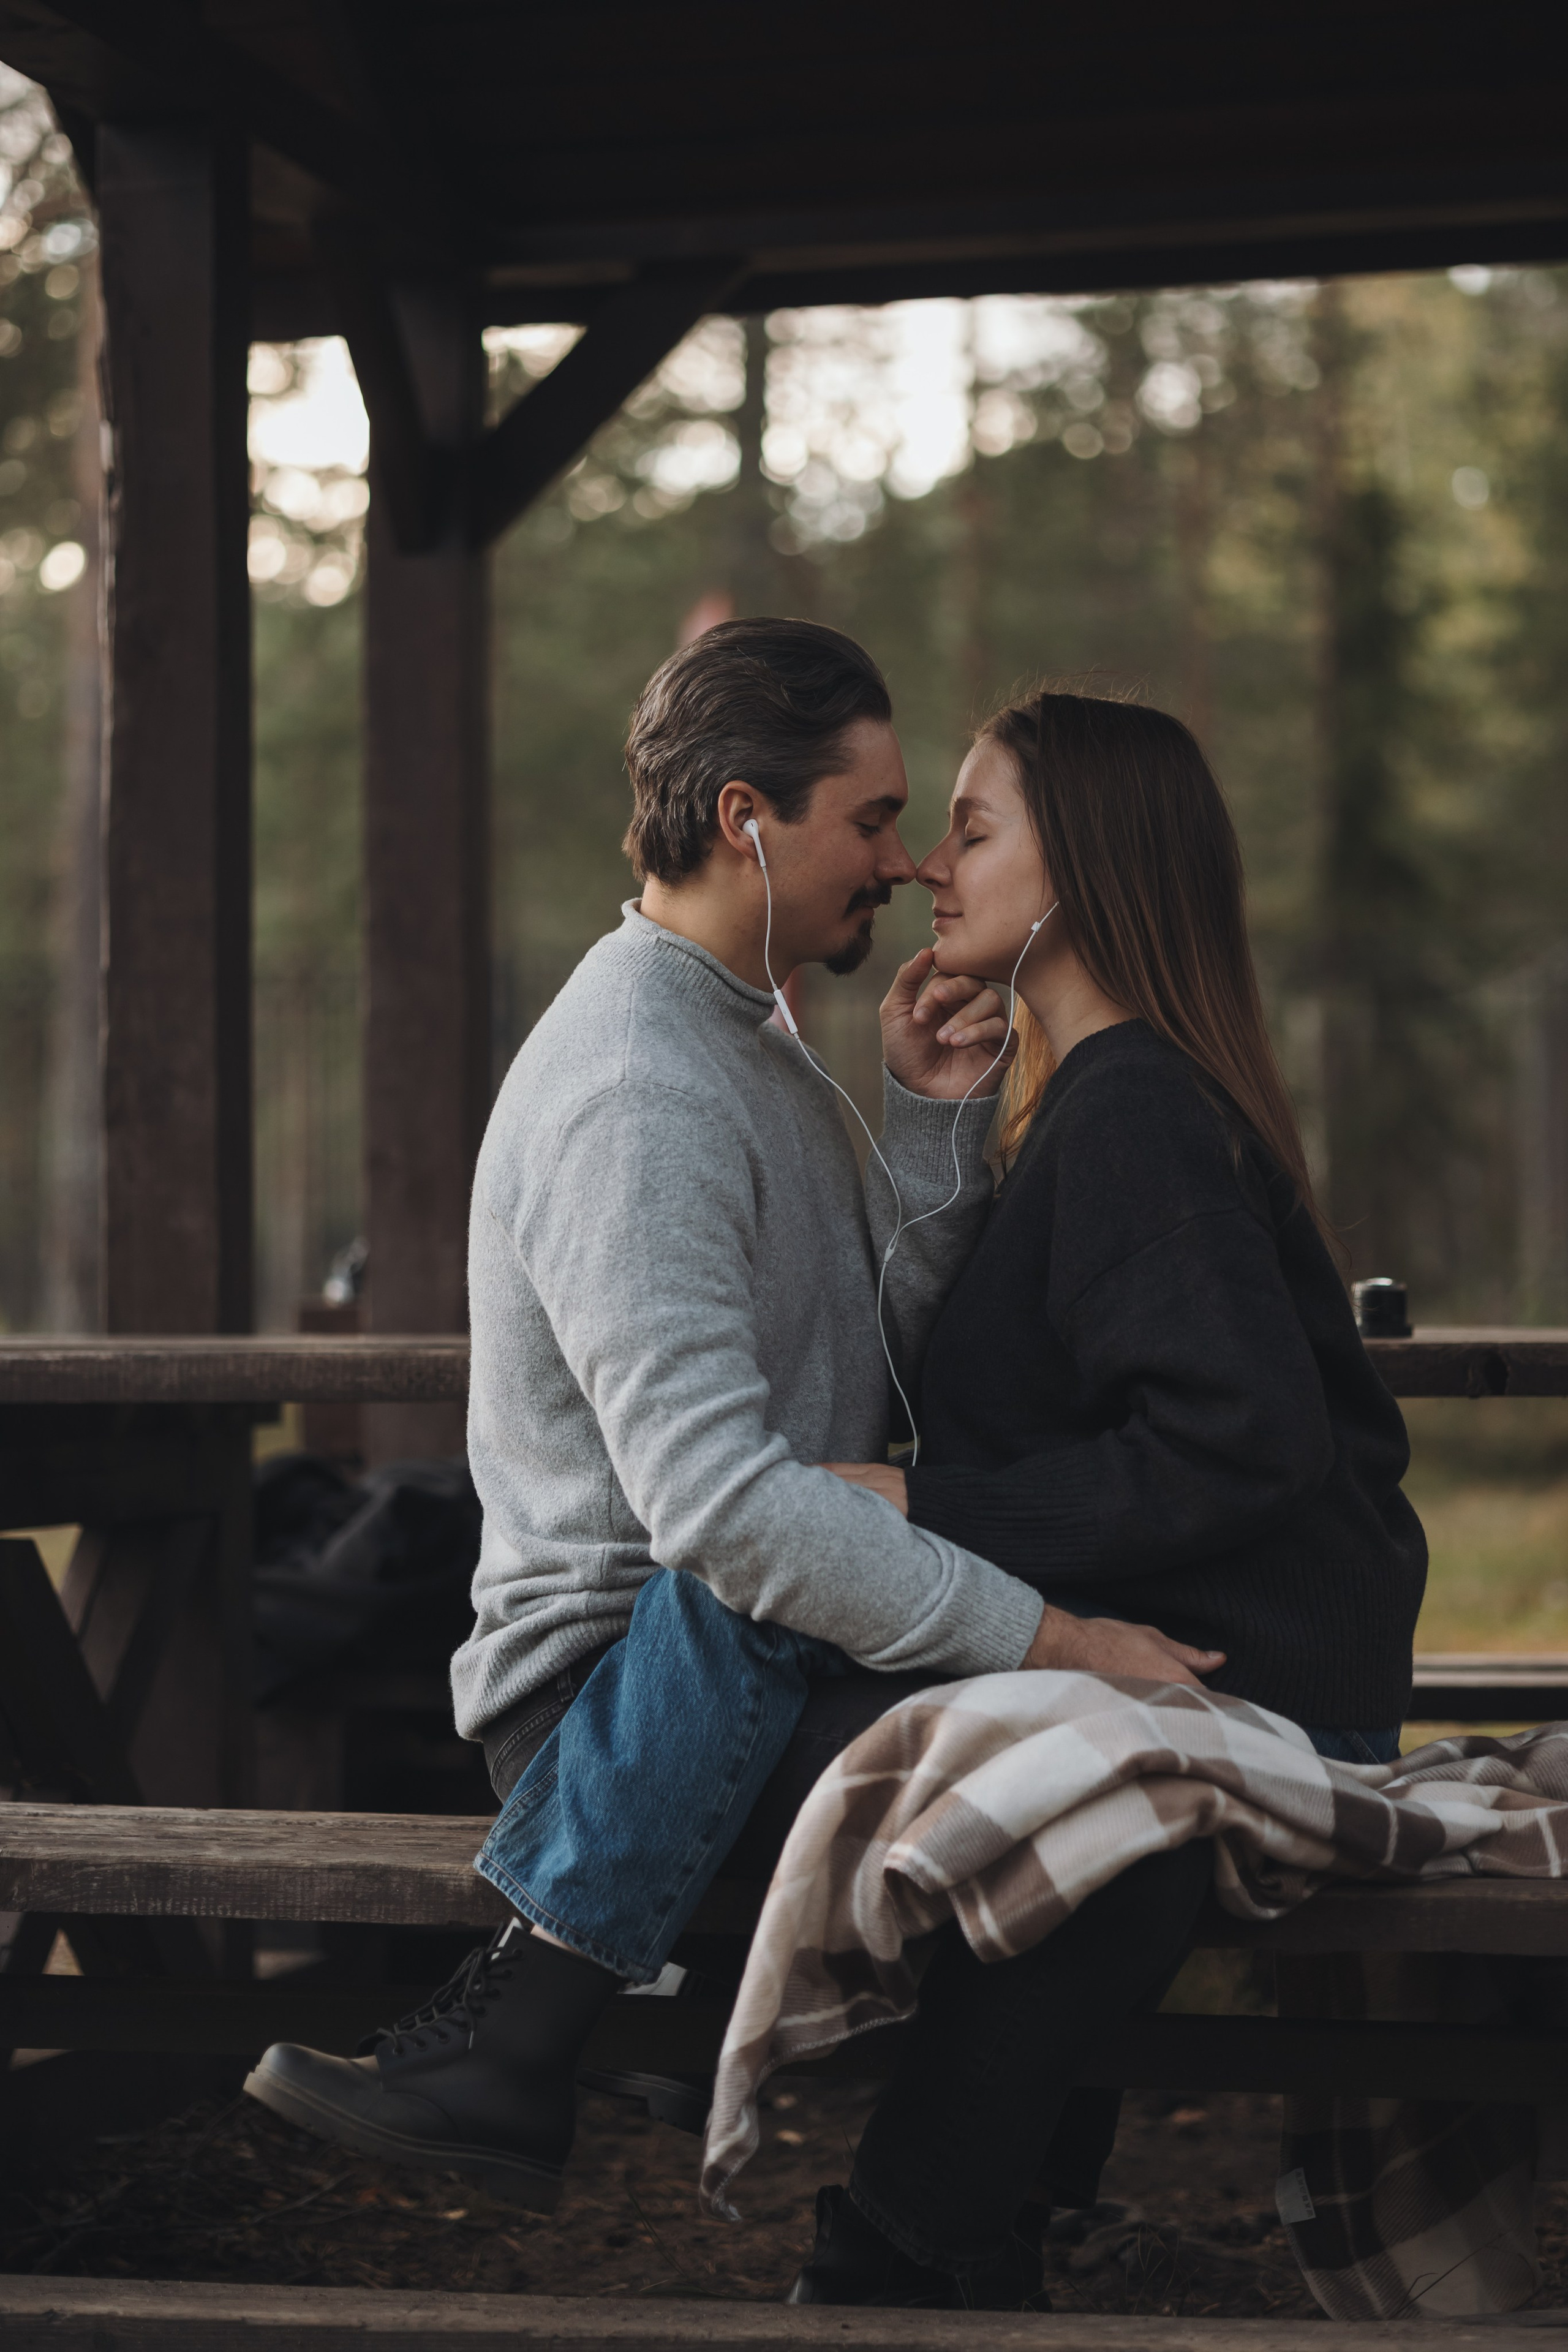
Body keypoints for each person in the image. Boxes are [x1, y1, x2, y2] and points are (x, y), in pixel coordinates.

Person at [245, 624, 1204, 2207]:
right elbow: (728, 1514)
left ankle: (980, 2215)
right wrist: (1048, 1634)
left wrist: (924, 1132)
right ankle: (568, 2066)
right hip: (615, 1700)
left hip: (770, 1645)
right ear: (747, 816)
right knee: (1056, 1784)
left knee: (1093, 1793)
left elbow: (865, 1378)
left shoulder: (743, 1035)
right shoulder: (641, 1087)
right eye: (873, 819)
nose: (901, 866)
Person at [785, 685, 1428, 2305]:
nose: (935, 867)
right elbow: (1006, 1389)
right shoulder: (1092, 1096)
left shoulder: (1132, 1103)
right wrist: (934, 1127)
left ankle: (915, 2231)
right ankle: (974, 2220)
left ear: (1085, 868)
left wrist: (926, 1511)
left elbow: (1238, 1446)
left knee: (961, 1760)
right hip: (1230, 1666)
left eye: (976, 829)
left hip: (1257, 1692)